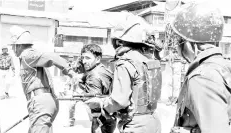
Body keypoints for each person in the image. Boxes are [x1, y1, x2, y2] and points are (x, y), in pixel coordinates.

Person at [85, 13, 162, 133]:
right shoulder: (150, 61)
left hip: (135, 124)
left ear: (120, 41)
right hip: (153, 121)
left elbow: (119, 101)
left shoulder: (125, 63)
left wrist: (101, 103)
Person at [164, 2, 231, 133]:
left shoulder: (202, 77)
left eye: (179, 41)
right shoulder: (223, 66)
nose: (177, 47)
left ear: (189, 45)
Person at [9, 25, 74, 133]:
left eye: (13, 46)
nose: (12, 49)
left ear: (18, 45)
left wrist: (70, 72)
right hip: (42, 103)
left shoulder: (27, 54)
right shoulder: (30, 56)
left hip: (40, 103)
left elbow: (52, 57)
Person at [73, 44, 116, 133]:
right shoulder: (102, 69)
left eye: (88, 58)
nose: (84, 61)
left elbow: (93, 102)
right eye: (83, 58)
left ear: (97, 59)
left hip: (100, 120)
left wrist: (81, 92)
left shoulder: (94, 75)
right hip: (109, 118)